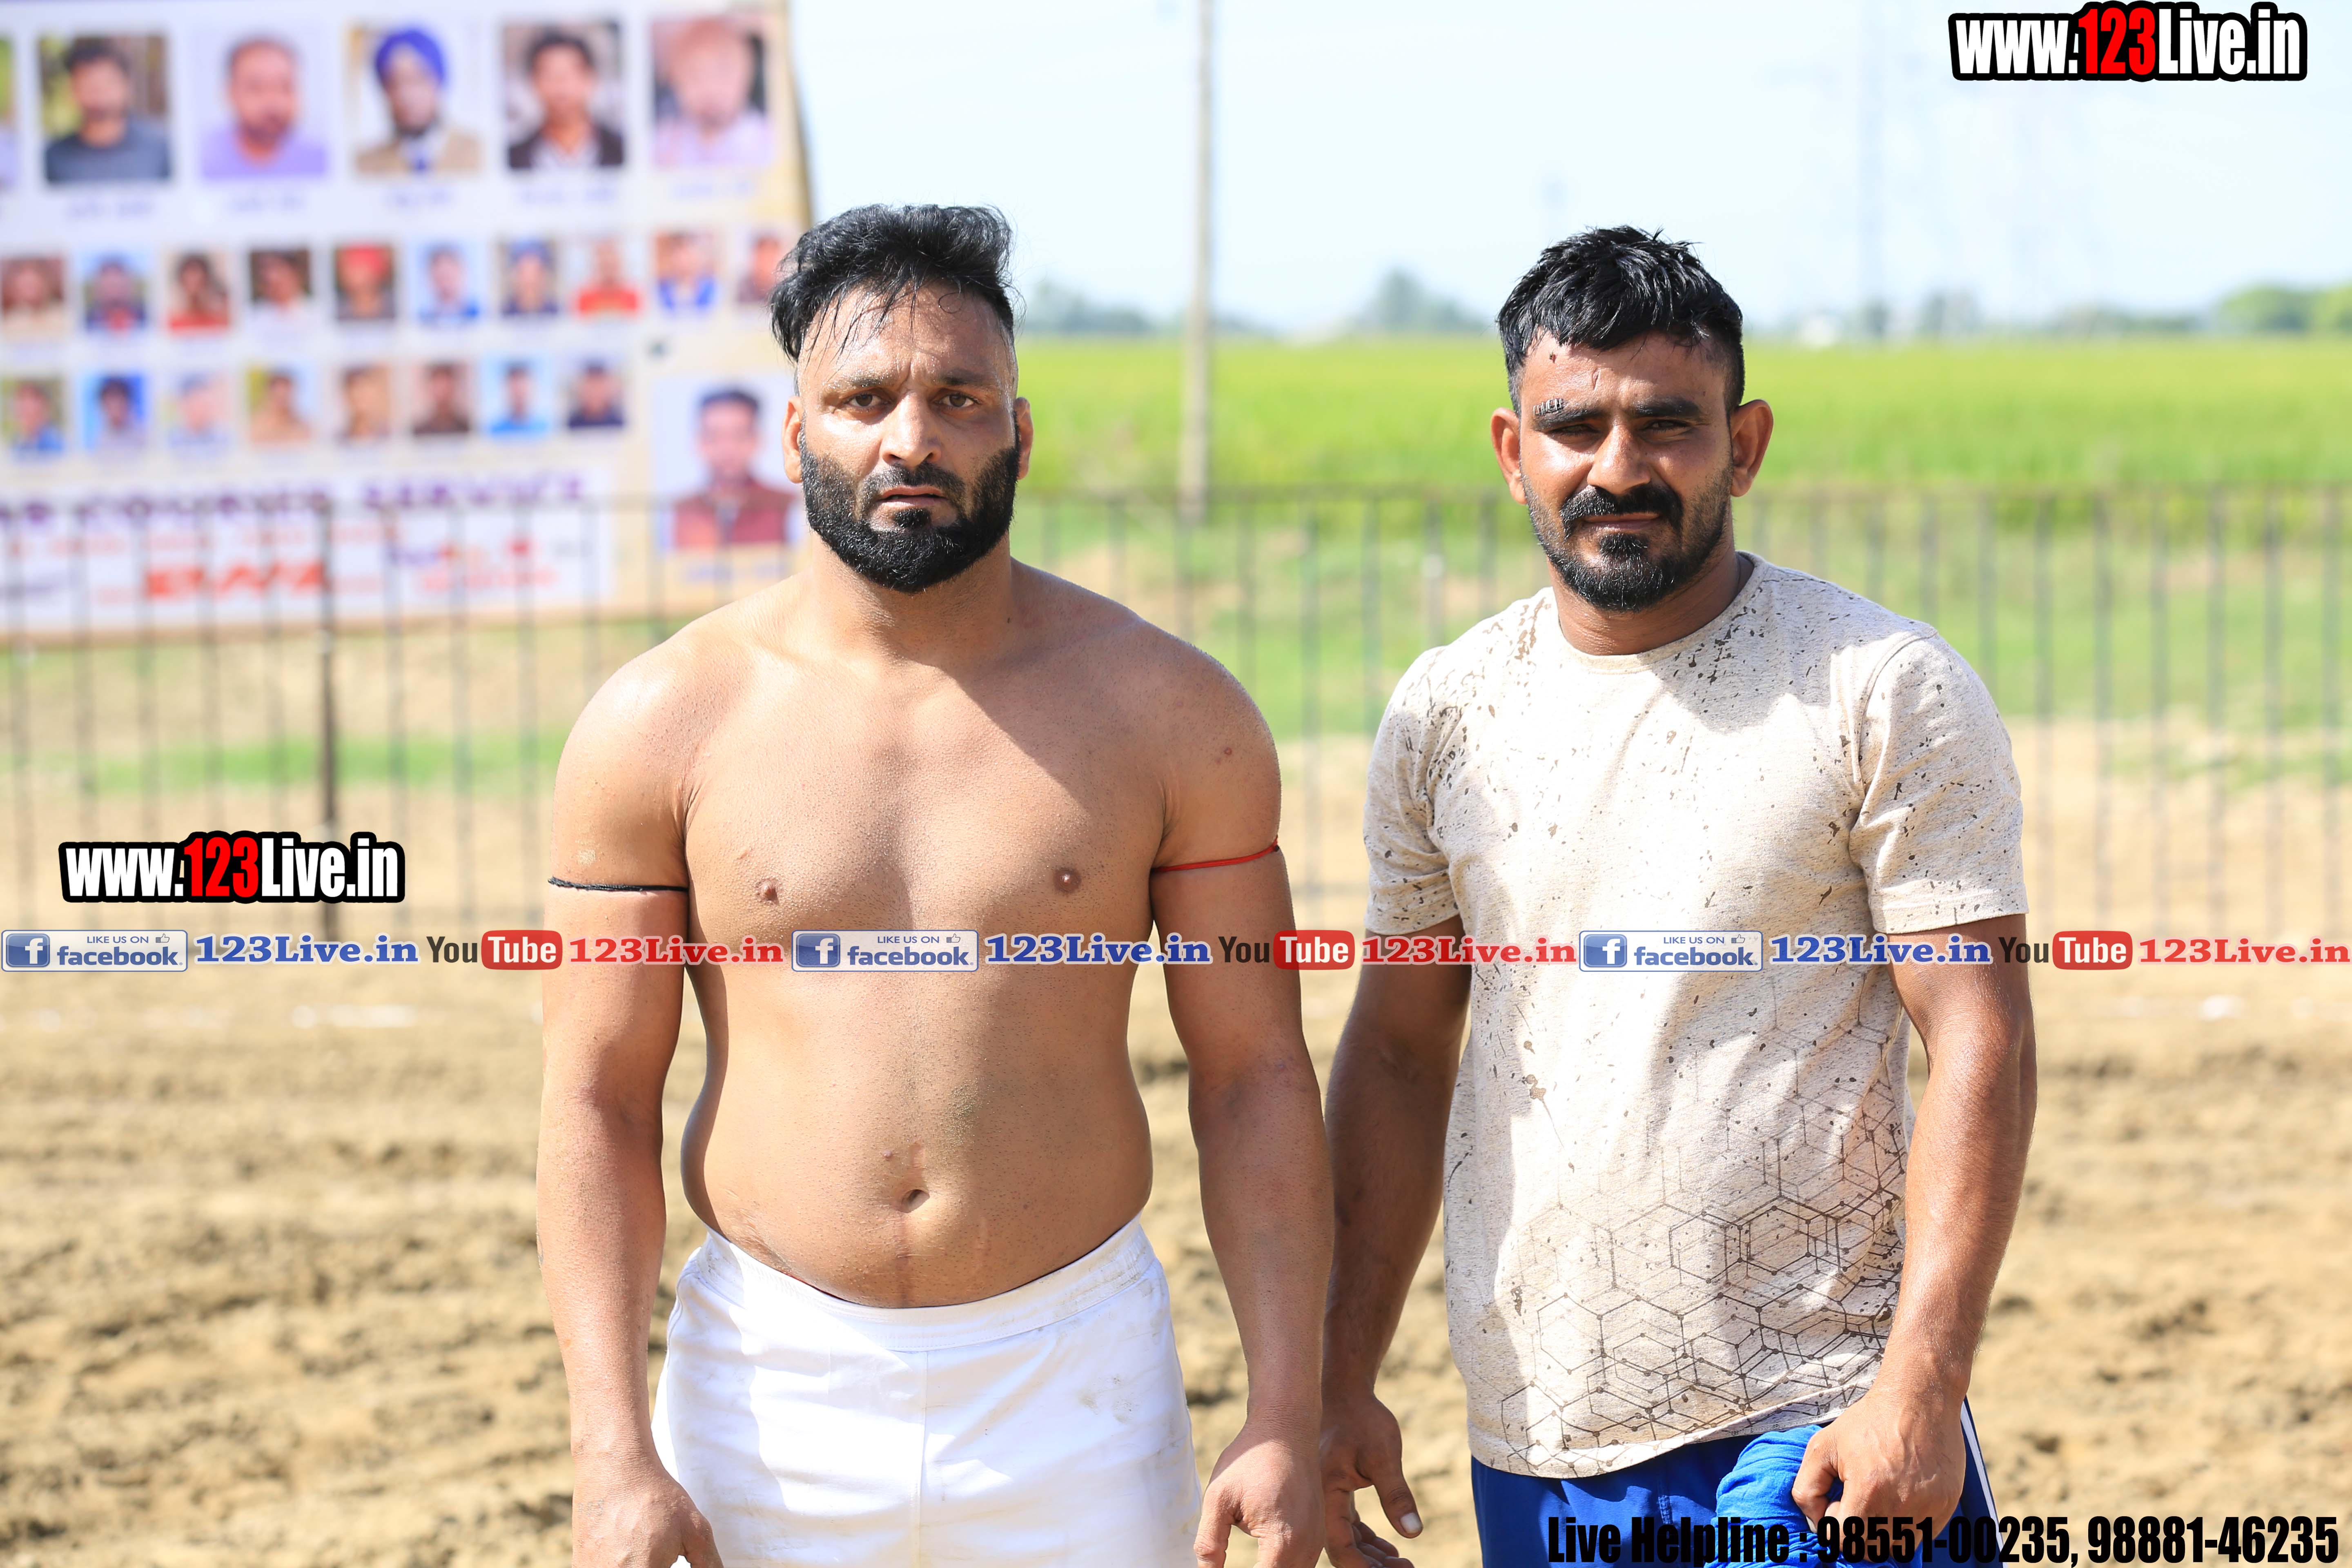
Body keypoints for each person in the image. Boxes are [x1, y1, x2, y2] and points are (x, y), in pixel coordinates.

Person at [539, 204, 1329, 1568]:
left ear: (1017, 429)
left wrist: (1285, 1412)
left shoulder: (1171, 712)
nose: (911, 439)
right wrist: (612, 1453)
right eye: (865, 400)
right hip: (766, 1382)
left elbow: (1255, 1073)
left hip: (1075, 1385)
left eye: (958, 398)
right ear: (796, 431)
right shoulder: (660, 721)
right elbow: (596, 1096)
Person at [1317, 227, 2031, 1568]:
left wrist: (1920, 1390)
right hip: (1542, 1436)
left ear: (1744, 445)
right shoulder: (1445, 713)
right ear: (1512, 449)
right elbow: (1402, 1052)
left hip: (1818, 1428)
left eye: (1667, 425)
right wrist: (1334, 1377)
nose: (1618, 467)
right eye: (1574, 426)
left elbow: (1978, 1035)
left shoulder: (1880, 685)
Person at [667, 388, 797, 548]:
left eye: (739, 436)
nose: (728, 449)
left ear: (757, 440)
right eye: (715, 436)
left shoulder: (785, 505)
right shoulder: (681, 511)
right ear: (699, 442)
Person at [355, 27, 483, 176]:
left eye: (418, 80)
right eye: (395, 83)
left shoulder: (480, 155)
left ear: (439, 82)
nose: (407, 95)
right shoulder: (365, 166)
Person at [44, 37, 172, 185]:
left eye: (108, 83)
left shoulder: (161, 150)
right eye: (88, 85)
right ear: (72, 90)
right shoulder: (53, 159)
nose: (99, 94)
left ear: (127, 86)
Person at [199, 34, 326, 179]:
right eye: (257, 88)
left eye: (285, 87)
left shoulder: (322, 159)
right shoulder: (202, 159)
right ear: (231, 93)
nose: (273, 102)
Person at [653, 16, 769, 168]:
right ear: (675, 81)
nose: (709, 88)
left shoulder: (770, 142)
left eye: (723, 72)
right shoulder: (662, 143)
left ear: (746, 74)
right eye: (694, 76)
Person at [506, 29, 624, 171]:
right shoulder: (511, 159)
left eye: (570, 73)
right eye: (549, 75)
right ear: (533, 82)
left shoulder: (623, 151)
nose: (561, 85)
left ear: (591, 79)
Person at [2, 256, 70, 338]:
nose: (30, 284)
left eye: (33, 284)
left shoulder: (63, 316)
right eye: (26, 285)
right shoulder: (10, 322)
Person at [572, 236, 640, 316]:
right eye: (604, 266)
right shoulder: (585, 297)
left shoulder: (632, 295)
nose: (608, 272)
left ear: (619, 264)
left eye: (611, 266)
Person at [167, 253, 233, 332]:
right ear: (182, 282)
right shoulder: (171, 324)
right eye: (190, 282)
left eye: (199, 283)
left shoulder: (220, 322)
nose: (194, 280)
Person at [416, 244, 480, 325]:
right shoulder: (423, 318)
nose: (446, 284)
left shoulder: (478, 314)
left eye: (449, 276)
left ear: (462, 274)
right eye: (440, 277)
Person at [655, 229, 716, 314]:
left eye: (690, 253)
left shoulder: (712, 289)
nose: (686, 260)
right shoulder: (660, 290)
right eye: (681, 253)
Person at [335, 244, 398, 323]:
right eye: (350, 267)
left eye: (360, 267)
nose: (353, 273)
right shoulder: (336, 310)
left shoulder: (398, 305)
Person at [247, 368, 312, 445]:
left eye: (286, 396)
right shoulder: (255, 425)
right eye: (279, 397)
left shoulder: (303, 426)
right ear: (270, 395)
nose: (282, 402)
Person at [82, 256, 146, 334]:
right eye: (110, 286)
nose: (114, 291)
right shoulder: (87, 320)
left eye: (117, 286)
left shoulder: (144, 316)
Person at [169, 372, 231, 449]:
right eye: (196, 402)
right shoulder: (171, 440)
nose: (201, 408)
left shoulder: (224, 438)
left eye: (205, 402)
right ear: (184, 404)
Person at [248, 248, 312, 322]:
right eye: (265, 268)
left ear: (296, 272)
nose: (272, 276)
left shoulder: (315, 311)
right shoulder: (253, 314)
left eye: (278, 267)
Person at [487, 361, 547, 438]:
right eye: (515, 389)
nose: (519, 393)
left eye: (523, 388)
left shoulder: (544, 429)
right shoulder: (495, 430)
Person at [7, 379, 66, 457]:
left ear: (44, 405)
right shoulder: (18, 444)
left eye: (30, 400)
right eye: (21, 400)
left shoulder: (55, 443)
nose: (23, 407)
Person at [411, 361, 471, 437]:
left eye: (446, 384)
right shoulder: (419, 431)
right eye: (438, 385)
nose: (442, 391)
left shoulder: (467, 428)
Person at [87, 374, 146, 451]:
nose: (115, 412)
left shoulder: (143, 437)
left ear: (128, 404)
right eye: (110, 406)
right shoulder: (99, 442)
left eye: (119, 405)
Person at [503, 240, 561, 318]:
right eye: (524, 272)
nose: (530, 280)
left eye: (536, 272)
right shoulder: (502, 316)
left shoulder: (559, 314)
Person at [564, 359, 626, 430]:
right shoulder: (570, 425)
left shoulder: (620, 425)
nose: (595, 392)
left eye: (599, 386)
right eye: (591, 386)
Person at [339, 364, 393, 443]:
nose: (358, 395)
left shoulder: (390, 437)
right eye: (354, 387)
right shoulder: (338, 440)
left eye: (364, 388)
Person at [736, 230, 788, 307]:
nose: (767, 262)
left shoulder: (782, 289)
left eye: (771, 257)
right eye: (764, 256)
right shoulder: (741, 288)